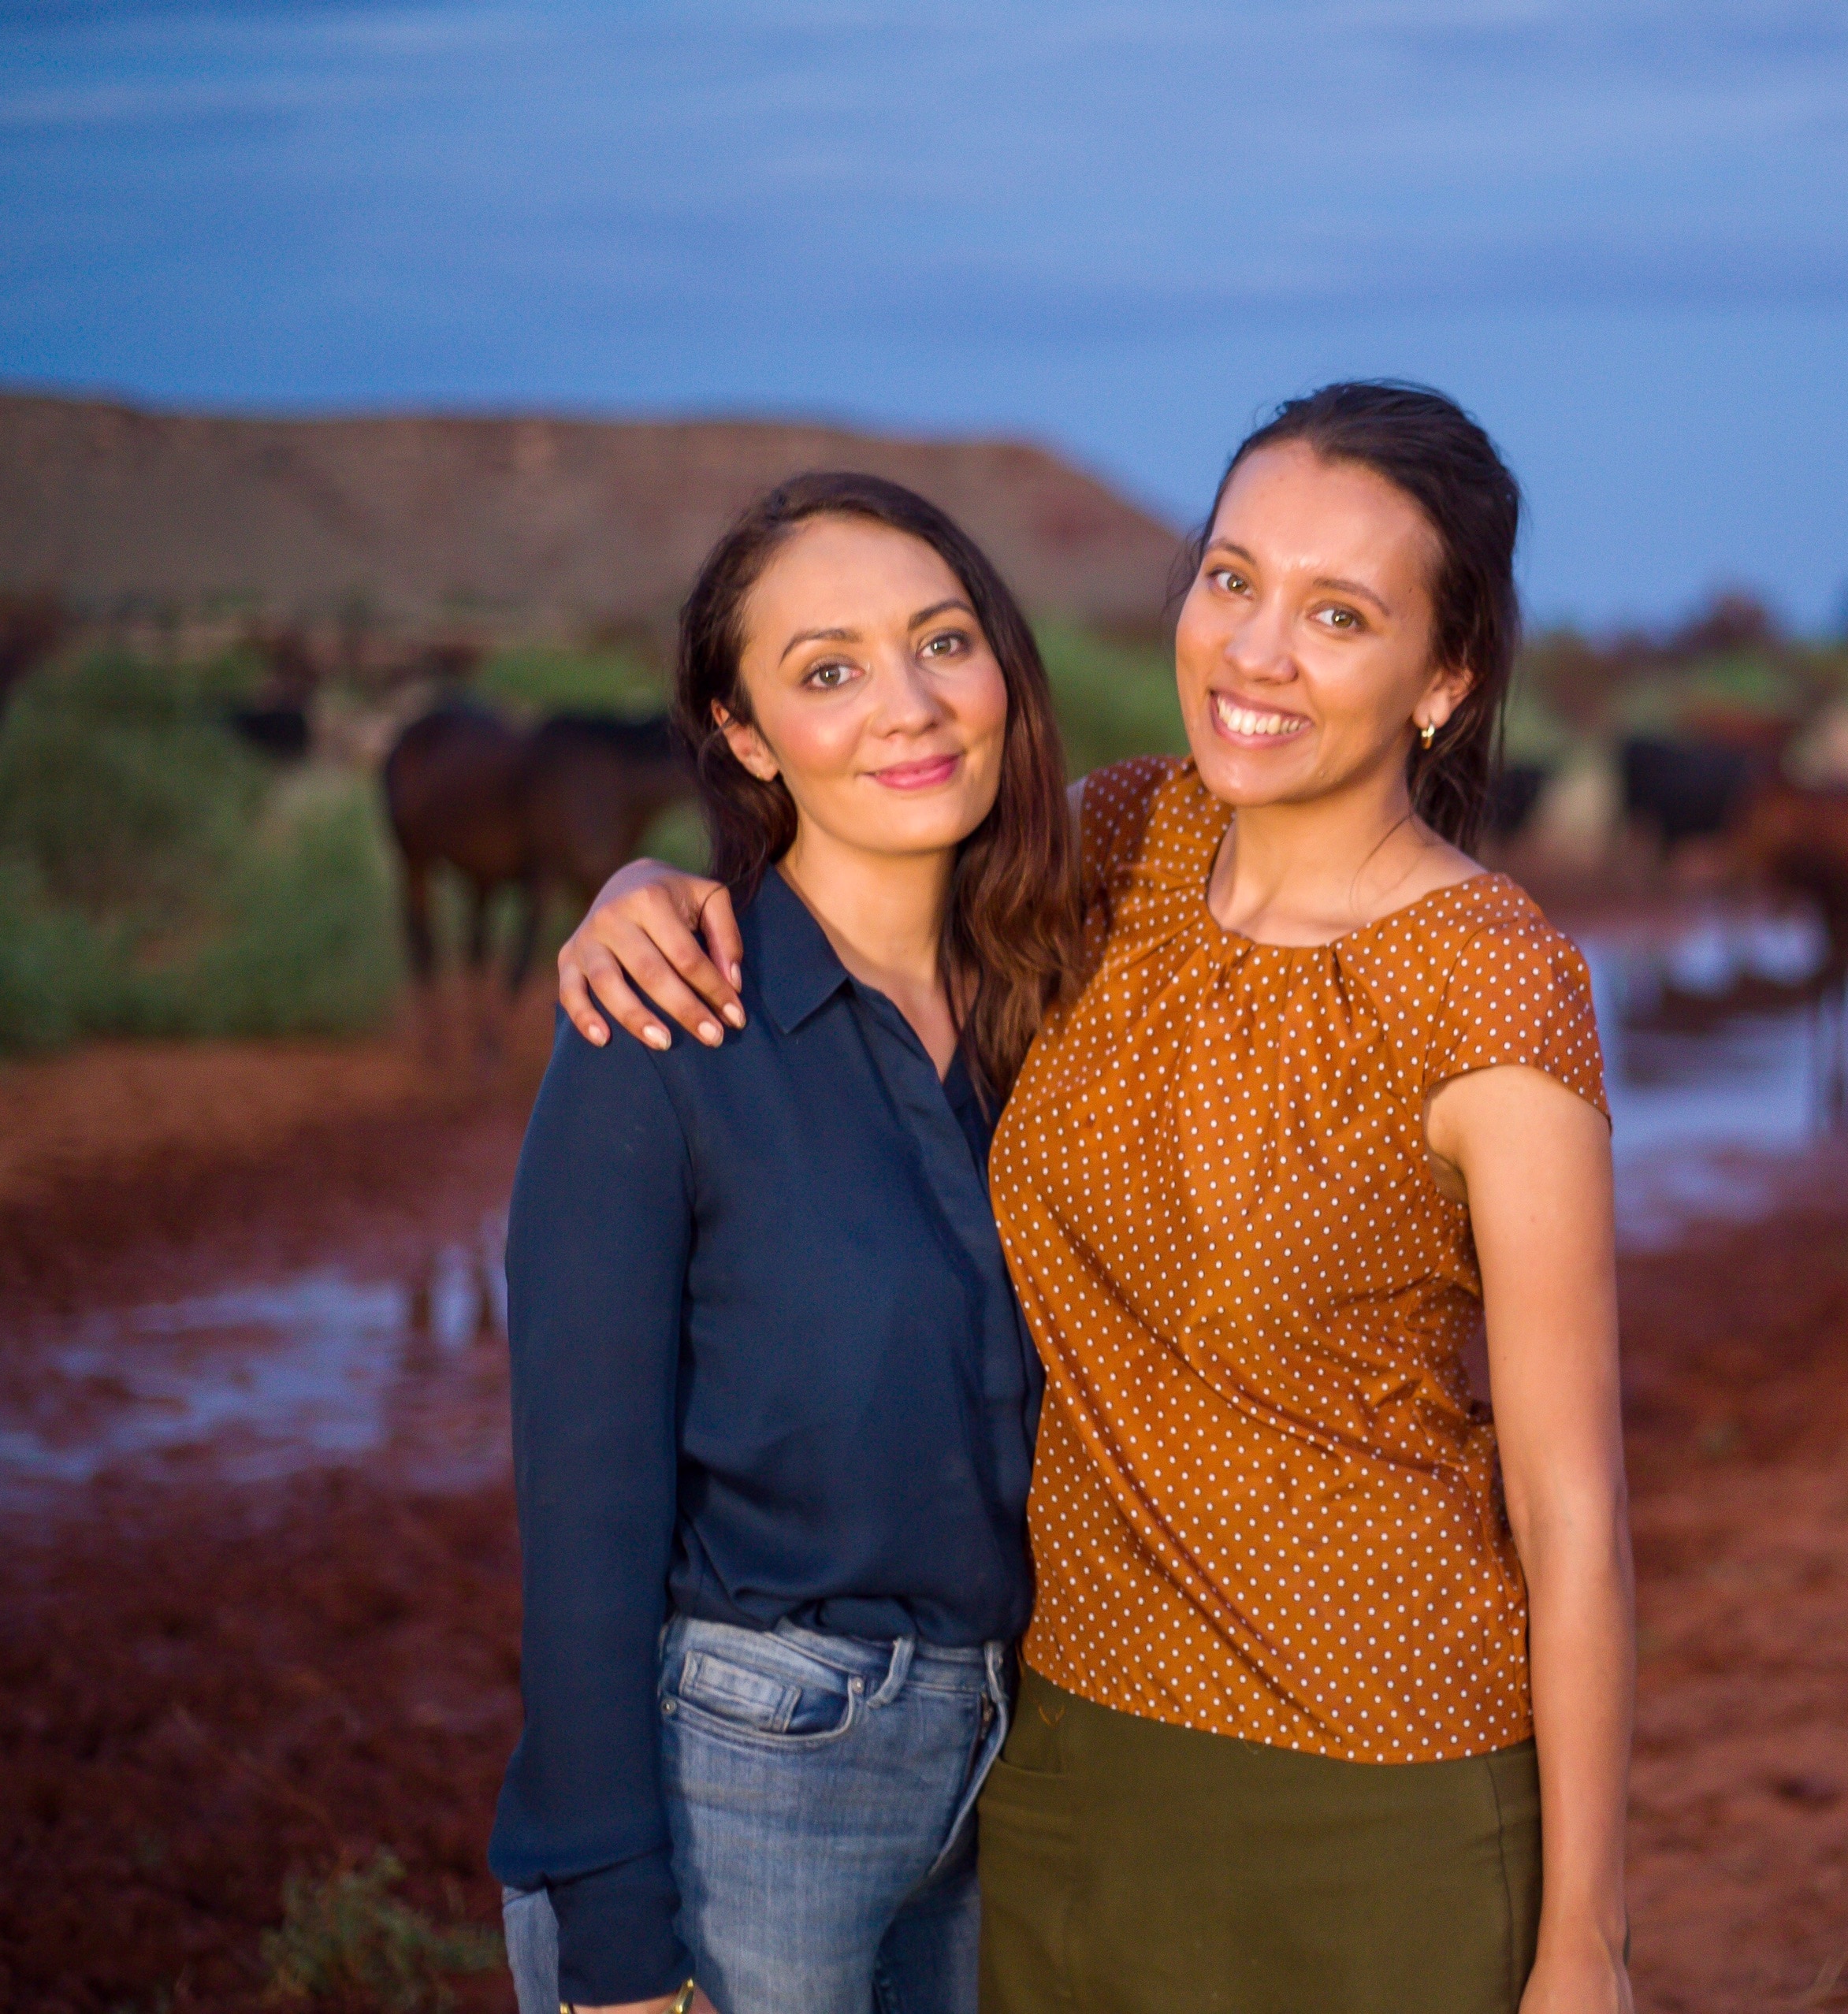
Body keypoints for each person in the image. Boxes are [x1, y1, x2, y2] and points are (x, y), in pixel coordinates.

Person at [560, 383, 1636, 2013]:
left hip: (1378, 1783)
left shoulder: (1491, 987)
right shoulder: (1117, 844)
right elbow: (860, 841)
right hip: (1062, 1770)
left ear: (1446, 675)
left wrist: (1586, 1946)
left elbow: (1573, 1516)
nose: (1256, 653)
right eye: (1231, 579)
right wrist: (646, 889)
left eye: (1337, 614)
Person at [493, 471, 1076, 2014]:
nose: (908, 706)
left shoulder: (1058, 1007)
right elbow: (580, 1497)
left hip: (1007, 1775)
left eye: (941, 642)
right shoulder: (662, 1025)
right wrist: (614, 1931)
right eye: (827, 671)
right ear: (742, 734)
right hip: (743, 1789)